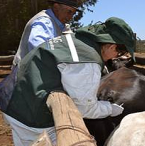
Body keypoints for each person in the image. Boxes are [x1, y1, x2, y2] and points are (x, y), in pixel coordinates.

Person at [0, 17, 136, 146]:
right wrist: (111, 109)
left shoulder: (75, 40)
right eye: (120, 53)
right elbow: (85, 108)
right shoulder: (88, 62)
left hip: (13, 93)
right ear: (112, 47)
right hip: (28, 111)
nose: (116, 57)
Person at [12, 0, 82, 67]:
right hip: (25, 73)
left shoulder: (62, 26)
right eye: (69, 12)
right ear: (56, 7)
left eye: (73, 14)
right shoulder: (44, 22)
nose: (70, 17)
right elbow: (39, 51)